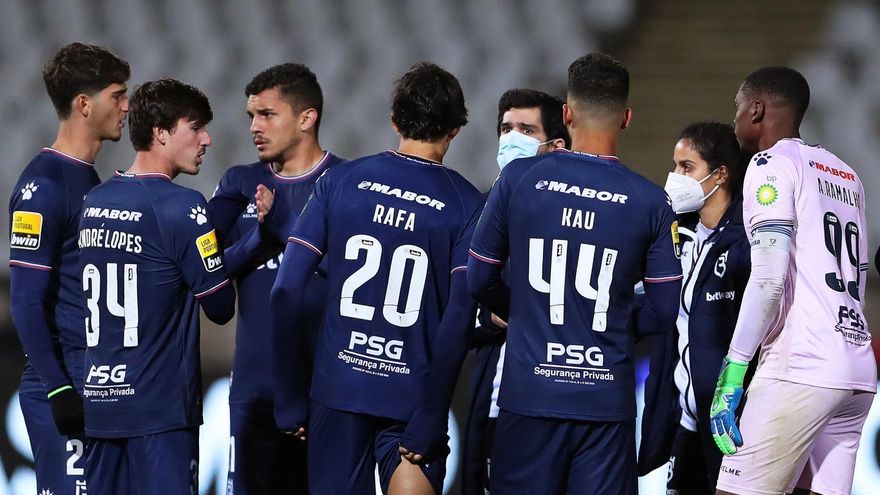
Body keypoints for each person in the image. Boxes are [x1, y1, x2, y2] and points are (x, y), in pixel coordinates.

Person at [467, 52, 682, 495]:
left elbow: (478, 278)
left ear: (566, 114)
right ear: (626, 118)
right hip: (606, 403)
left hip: (528, 395)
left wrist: (526, 311)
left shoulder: (519, 180)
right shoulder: (650, 201)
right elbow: (663, 311)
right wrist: (615, 321)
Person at [270, 62, 483, 495]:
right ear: (456, 130)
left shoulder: (341, 181)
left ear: (394, 120)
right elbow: (459, 315)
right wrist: (430, 414)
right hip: (412, 399)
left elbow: (286, 289)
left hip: (338, 390)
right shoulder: (466, 204)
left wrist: (289, 396)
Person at [710, 66, 875, 495]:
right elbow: (856, 271)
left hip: (801, 366)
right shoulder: (847, 174)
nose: (735, 119)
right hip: (856, 368)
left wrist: (733, 371)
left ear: (758, 109)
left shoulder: (771, 164)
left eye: (738, 108)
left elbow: (768, 279)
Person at [78, 78, 236, 494]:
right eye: (195, 126)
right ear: (161, 133)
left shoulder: (94, 202)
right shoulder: (182, 207)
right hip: (160, 412)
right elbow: (220, 305)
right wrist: (254, 241)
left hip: (100, 404)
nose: (206, 139)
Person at [209, 63, 345, 495]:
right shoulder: (239, 182)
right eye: (251, 115)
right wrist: (257, 240)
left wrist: (286, 228)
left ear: (307, 118)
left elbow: (348, 277)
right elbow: (206, 272)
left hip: (325, 392)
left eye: (267, 114)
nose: (254, 127)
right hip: (255, 390)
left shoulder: (347, 183)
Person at [8, 42, 129, 495]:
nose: (125, 105)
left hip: (94, 379)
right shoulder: (43, 185)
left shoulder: (85, 177)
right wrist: (59, 390)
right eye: (117, 95)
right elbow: (25, 301)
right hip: (61, 383)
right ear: (84, 104)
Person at [462, 88, 569, 495]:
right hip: (494, 393)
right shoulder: (480, 211)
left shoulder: (583, 220)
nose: (511, 138)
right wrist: (488, 317)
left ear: (556, 146)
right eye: (506, 128)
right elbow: (455, 306)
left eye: (526, 129)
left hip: (558, 398)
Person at [637, 122, 750, 494]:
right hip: (683, 417)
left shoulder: (747, 243)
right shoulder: (672, 234)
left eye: (687, 168)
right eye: (674, 166)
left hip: (729, 420)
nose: (674, 177)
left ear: (720, 174)